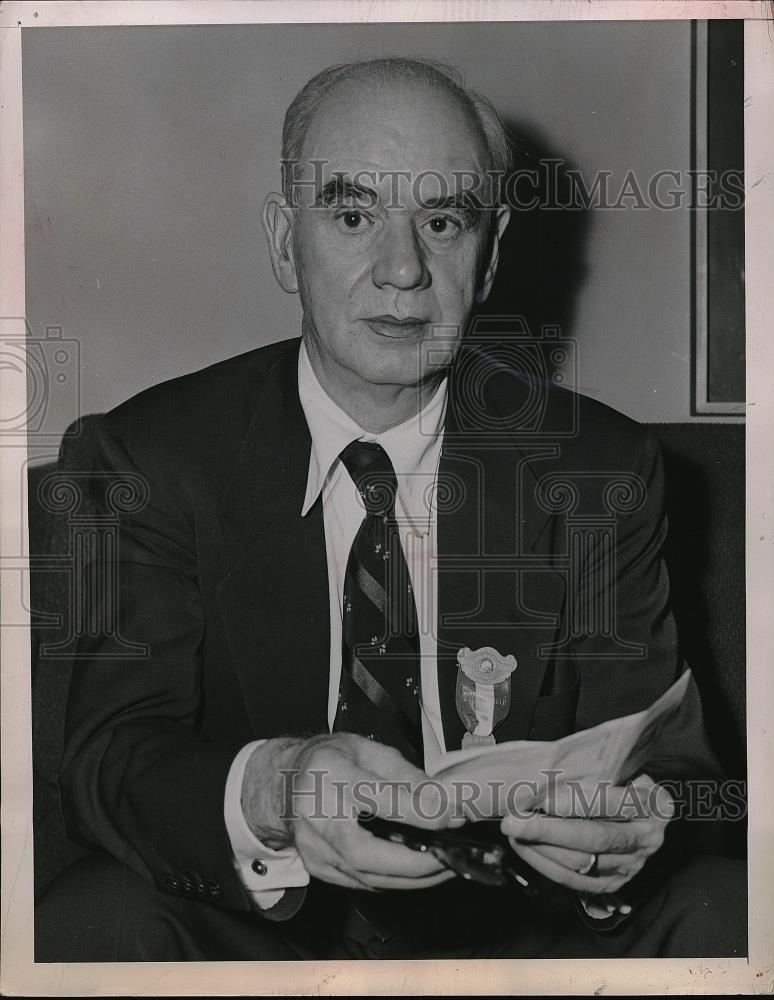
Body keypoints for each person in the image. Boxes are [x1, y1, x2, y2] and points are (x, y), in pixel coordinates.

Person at [35, 57, 745, 961]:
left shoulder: (598, 468)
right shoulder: (147, 457)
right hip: (260, 932)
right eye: (354, 214)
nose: (403, 269)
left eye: (443, 221)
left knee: (729, 907)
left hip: (524, 937)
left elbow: (668, 759)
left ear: (488, 258)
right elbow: (110, 757)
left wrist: (633, 832)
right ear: (285, 240)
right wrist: (280, 788)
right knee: (90, 924)